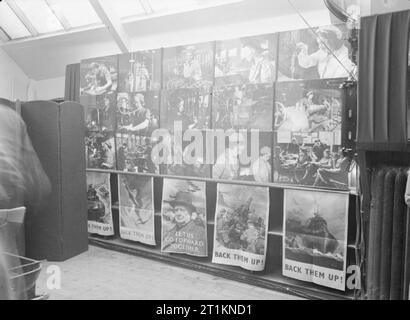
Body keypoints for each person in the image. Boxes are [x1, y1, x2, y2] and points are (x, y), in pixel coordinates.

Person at [162, 191, 207, 256]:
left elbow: (198, 255)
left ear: (190, 212)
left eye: (182, 210)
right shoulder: (171, 229)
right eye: (176, 210)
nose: (178, 213)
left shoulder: (200, 232)